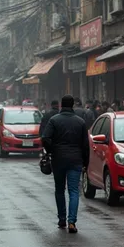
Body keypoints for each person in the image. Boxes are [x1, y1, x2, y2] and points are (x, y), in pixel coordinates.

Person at [43, 95, 90, 234]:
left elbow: (45, 138)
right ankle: (72, 222)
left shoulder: (54, 120)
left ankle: (62, 219)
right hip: (75, 160)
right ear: (73, 105)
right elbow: (86, 145)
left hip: (58, 159)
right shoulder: (80, 122)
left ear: (61, 105)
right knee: (74, 191)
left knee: (59, 189)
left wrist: (51, 150)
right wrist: (85, 162)